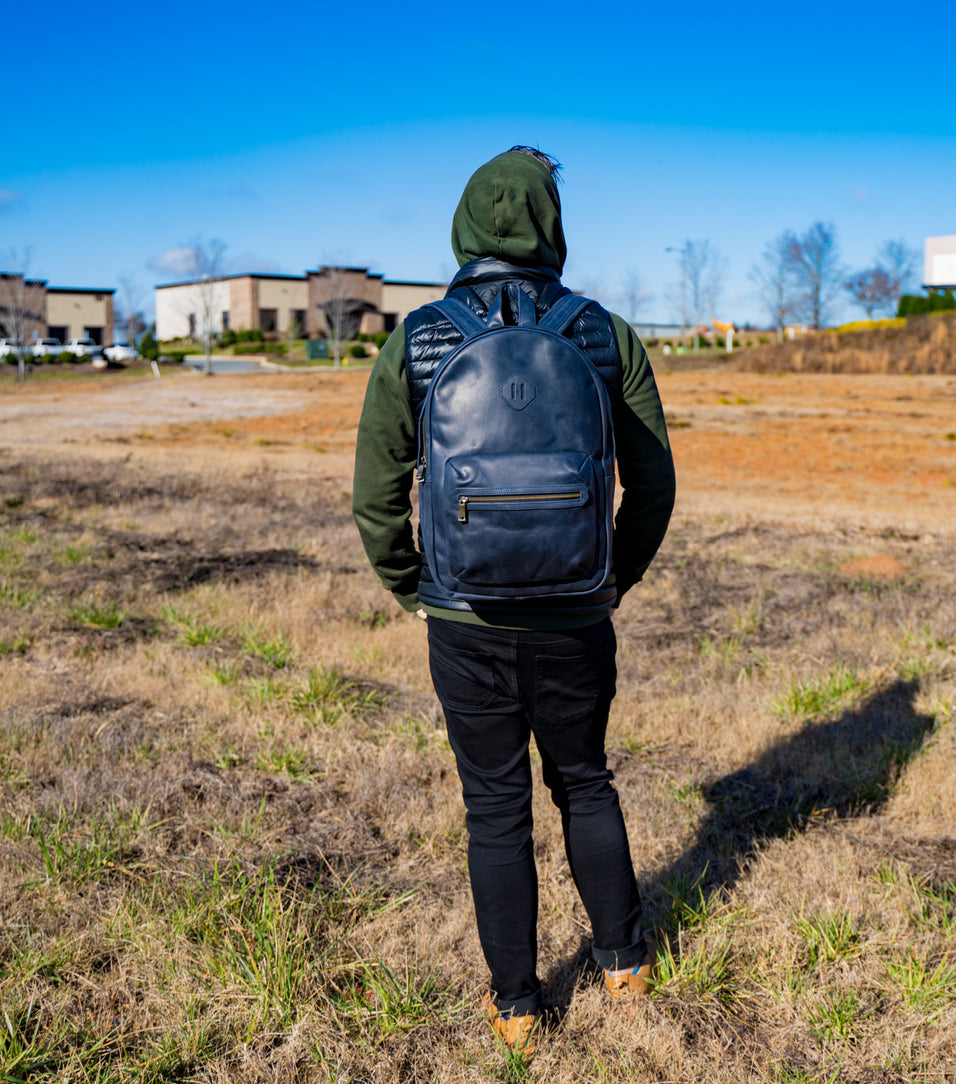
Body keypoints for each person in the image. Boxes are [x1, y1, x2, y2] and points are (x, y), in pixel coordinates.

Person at [352, 146, 675, 1057]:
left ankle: (518, 1007)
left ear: (464, 224)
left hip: (465, 620)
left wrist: (411, 585)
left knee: (493, 804)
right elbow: (653, 485)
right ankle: (622, 962)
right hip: (578, 611)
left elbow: (375, 489)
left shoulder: (416, 338)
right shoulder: (603, 334)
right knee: (584, 779)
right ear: (550, 226)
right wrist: (615, 576)